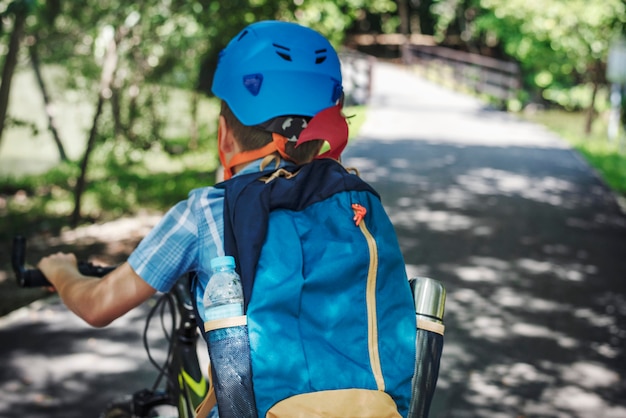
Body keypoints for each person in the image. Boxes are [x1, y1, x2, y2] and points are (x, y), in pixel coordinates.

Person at [37, 20, 346, 328]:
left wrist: (61, 272)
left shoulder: (205, 212)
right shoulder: (349, 204)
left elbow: (97, 305)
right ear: (321, 139)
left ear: (224, 134)